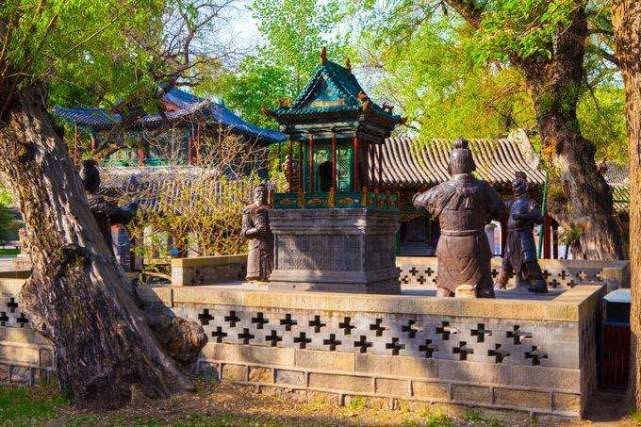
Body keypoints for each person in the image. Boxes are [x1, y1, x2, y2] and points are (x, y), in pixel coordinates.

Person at [413, 139, 506, 298]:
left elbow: (418, 203)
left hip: (448, 245)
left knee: (444, 291)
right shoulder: (483, 188)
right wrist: (486, 215)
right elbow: (501, 210)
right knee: (484, 290)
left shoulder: (440, 189)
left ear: (450, 166)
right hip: (477, 244)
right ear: (472, 165)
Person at [497, 172, 548, 293]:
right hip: (512, 236)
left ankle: (539, 283)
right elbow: (498, 207)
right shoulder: (511, 203)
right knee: (506, 260)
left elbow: (540, 219)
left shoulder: (530, 203)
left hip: (524, 235)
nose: (514, 189)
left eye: (517, 186)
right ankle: (500, 283)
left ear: (524, 187)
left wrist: (523, 217)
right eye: (513, 186)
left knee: (529, 259)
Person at [79, 160, 138, 255]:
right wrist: (132, 207)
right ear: (97, 182)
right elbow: (123, 215)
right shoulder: (96, 203)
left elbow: (114, 216)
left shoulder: (78, 203)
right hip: (101, 253)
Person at [242, 183, 274, 281]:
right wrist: (256, 230)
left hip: (269, 246)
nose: (261, 194)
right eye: (258, 192)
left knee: (270, 273)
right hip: (255, 246)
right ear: (254, 194)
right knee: (255, 275)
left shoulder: (271, 209)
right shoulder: (249, 210)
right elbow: (244, 232)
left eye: (264, 192)